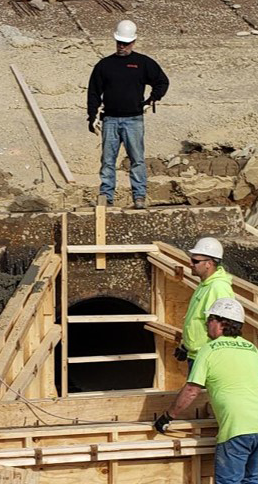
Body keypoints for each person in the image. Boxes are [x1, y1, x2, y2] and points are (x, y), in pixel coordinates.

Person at [155, 298, 258, 484]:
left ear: (220, 324)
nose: (207, 324)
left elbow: (192, 390)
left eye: (209, 319)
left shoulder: (209, 350)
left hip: (237, 424)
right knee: (251, 479)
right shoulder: (252, 349)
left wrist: (168, 416)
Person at [86, 19, 169, 209]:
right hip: (110, 120)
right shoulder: (105, 65)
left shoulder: (143, 63)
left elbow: (162, 82)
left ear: (133, 42)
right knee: (108, 160)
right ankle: (106, 196)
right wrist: (92, 117)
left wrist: (152, 100)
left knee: (137, 160)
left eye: (126, 43)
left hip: (134, 120)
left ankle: (139, 196)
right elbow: (93, 92)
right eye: (119, 42)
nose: (122, 46)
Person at [176, 237, 234, 372]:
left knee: (196, 392)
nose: (191, 264)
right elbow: (198, 320)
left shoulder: (218, 288)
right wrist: (186, 346)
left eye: (195, 261)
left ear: (209, 263)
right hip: (196, 354)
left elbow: (223, 326)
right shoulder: (205, 285)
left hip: (206, 357)